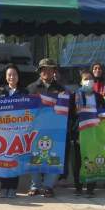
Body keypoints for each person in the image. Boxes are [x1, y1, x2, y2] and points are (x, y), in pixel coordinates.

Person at [26, 58, 66, 198]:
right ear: (39, 71)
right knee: (35, 157)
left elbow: (66, 110)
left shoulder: (61, 90)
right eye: (44, 69)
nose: (46, 72)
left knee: (54, 156)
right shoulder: (31, 88)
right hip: (35, 129)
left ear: (54, 71)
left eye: (50, 69)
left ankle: (48, 186)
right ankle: (35, 185)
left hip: (55, 129)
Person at [71, 69, 105, 198]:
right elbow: (71, 114)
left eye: (90, 79)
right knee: (78, 161)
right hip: (79, 132)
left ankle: (91, 187)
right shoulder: (75, 96)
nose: (88, 81)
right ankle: (78, 187)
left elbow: (103, 112)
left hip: (95, 132)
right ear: (81, 82)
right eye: (85, 79)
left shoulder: (98, 97)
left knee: (92, 159)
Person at [0, 64, 28, 198]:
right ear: (5, 77)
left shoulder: (24, 92)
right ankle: (4, 186)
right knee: (2, 159)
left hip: (18, 131)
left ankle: (13, 187)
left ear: (18, 76)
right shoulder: (0, 91)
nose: (11, 77)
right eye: (9, 75)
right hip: (2, 131)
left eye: (14, 74)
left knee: (15, 159)